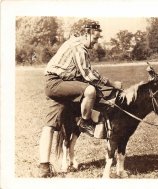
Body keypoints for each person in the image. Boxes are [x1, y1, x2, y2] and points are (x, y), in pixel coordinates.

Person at [38, 22, 122, 177]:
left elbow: (87, 71)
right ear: (86, 34)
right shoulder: (78, 47)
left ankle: (43, 166)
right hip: (57, 83)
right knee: (90, 90)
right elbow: (88, 74)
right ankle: (85, 120)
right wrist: (112, 84)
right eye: (95, 38)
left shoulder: (74, 43)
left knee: (50, 125)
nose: (96, 42)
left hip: (59, 83)